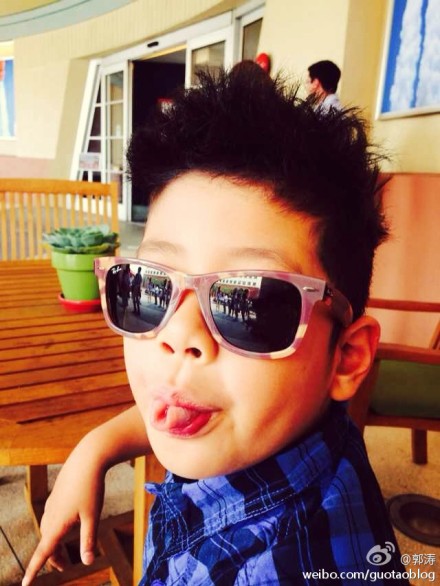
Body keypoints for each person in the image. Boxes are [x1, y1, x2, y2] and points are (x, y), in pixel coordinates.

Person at [23, 64, 409, 585]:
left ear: (347, 357)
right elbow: (179, 404)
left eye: (248, 303)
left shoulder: (281, 570)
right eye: (151, 284)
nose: (179, 336)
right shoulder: (284, 420)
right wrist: (97, 447)